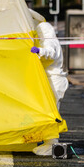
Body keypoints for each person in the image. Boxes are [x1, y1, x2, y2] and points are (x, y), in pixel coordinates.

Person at [30, 19, 69, 156]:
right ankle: (48, 141)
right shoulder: (52, 40)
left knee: (52, 113)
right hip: (54, 80)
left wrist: (39, 51)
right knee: (50, 111)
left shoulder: (49, 41)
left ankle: (51, 143)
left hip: (54, 80)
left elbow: (50, 53)